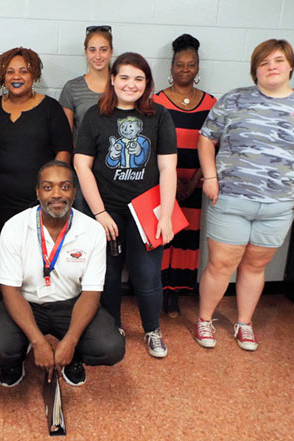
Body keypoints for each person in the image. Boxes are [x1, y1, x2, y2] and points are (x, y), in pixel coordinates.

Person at [195, 39, 294, 351]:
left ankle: (244, 323)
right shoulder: (234, 100)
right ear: (255, 69)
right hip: (229, 199)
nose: (272, 67)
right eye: (264, 62)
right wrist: (211, 177)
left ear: (291, 66)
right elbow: (206, 138)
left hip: (280, 205)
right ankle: (205, 319)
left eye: (279, 61)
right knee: (221, 264)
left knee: (256, 266)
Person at [0, 161, 125, 387]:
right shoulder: (15, 227)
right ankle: (16, 357)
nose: (57, 194)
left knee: (111, 347)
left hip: (71, 305)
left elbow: (91, 293)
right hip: (26, 302)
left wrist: (71, 341)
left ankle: (73, 357)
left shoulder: (93, 230)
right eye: (48, 187)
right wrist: (38, 342)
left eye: (65, 187)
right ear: (37, 192)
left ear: (75, 192)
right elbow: (10, 290)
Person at [74, 52, 178, 358]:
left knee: (147, 275)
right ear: (112, 79)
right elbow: (82, 166)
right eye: (124, 77)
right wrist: (100, 213)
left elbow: (169, 168)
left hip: (146, 210)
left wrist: (166, 215)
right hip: (107, 210)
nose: (131, 84)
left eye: (139, 78)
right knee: (107, 274)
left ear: (146, 83)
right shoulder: (95, 116)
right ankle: (112, 326)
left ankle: (152, 330)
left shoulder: (158, 116)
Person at [152, 34, 217, 318]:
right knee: (162, 234)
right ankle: (157, 289)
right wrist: (174, 181)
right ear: (171, 67)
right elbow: (151, 142)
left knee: (187, 236)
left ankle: (176, 294)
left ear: (198, 68)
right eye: (180, 64)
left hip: (196, 181)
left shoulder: (212, 103)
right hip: (162, 181)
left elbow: (216, 145)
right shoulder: (156, 101)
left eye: (191, 65)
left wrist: (193, 181)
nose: (185, 69)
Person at [0, 47, 73, 232]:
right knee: (11, 250)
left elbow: (63, 150)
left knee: (39, 251)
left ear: (34, 75)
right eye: (10, 71)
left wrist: (51, 188)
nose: (17, 77)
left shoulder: (50, 108)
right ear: (2, 76)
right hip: (0, 198)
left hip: (39, 198)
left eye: (24, 71)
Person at [60, 25, 114, 214]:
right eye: (92, 50)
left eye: (103, 49)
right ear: (85, 52)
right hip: (83, 171)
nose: (98, 56)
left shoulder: (122, 85)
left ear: (111, 51)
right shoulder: (72, 88)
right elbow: (65, 138)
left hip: (115, 170)